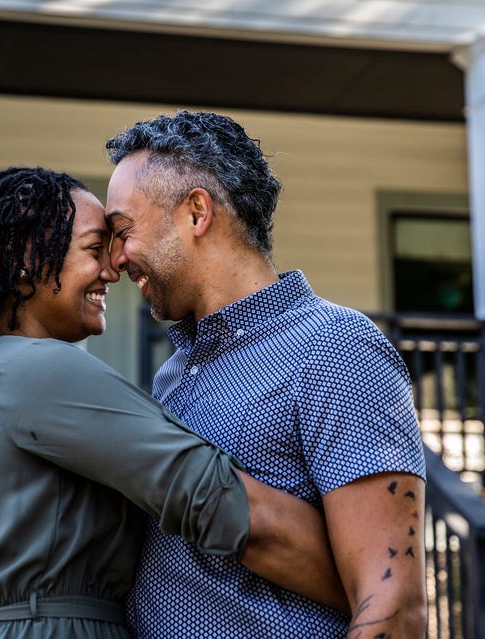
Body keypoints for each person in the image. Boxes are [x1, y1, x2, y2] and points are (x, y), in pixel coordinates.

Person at [0, 167, 348, 639]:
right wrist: (371, 588)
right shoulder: (38, 370)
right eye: (94, 249)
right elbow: (221, 504)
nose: (113, 271)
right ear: (23, 257)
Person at [105, 111, 428, 639]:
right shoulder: (171, 377)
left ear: (196, 212)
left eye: (124, 231)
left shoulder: (337, 348)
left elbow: (392, 606)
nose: (116, 259)